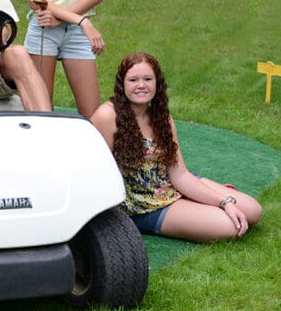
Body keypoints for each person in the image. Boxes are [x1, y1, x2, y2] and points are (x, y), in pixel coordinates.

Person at [90, 52, 263, 242]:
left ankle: (201, 198)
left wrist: (224, 202)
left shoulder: (161, 116)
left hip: (171, 184)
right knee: (230, 226)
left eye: (148, 79)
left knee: (253, 211)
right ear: (122, 84)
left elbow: (179, 173)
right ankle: (197, 204)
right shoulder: (106, 116)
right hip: (144, 206)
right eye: (133, 79)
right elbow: (91, 172)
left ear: (157, 83)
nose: (141, 85)